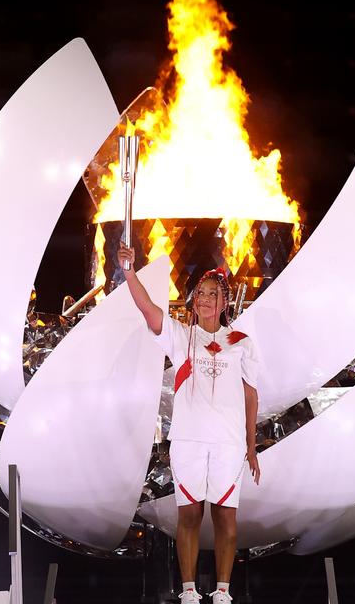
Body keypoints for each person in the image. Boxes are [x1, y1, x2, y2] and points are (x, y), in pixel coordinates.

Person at [118, 241, 260, 604]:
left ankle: (224, 592)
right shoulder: (182, 337)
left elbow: (250, 394)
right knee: (190, 514)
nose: (205, 299)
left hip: (228, 443)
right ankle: (189, 591)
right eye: (200, 293)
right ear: (194, 300)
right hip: (189, 441)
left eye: (213, 294)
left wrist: (251, 445)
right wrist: (129, 271)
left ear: (224, 302)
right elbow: (149, 310)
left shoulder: (241, 341)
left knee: (226, 518)